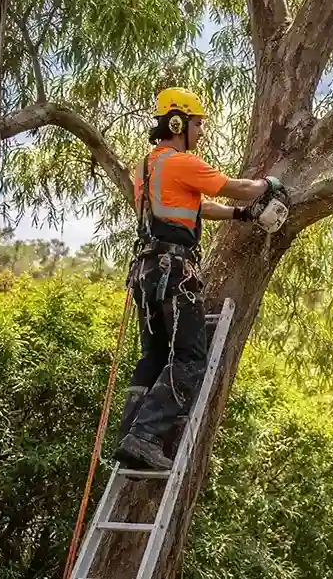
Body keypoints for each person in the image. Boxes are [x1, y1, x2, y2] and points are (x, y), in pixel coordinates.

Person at [114, 86, 288, 470]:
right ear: (177, 123)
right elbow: (236, 187)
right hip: (174, 271)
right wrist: (270, 185)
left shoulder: (148, 166)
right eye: (196, 123)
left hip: (145, 273)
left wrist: (238, 216)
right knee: (191, 357)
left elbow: (196, 206)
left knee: (154, 355)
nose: (200, 131)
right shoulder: (182, 162)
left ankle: (130, 434)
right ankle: (144, 437)